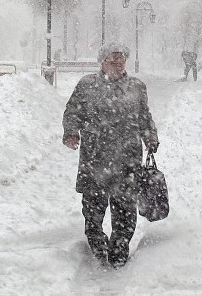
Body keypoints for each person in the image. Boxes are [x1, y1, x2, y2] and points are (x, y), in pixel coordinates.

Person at [62, 41, 158, 268]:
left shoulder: (137, 87)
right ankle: (98, 245)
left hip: (127, 161)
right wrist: (71, 132)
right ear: (102, 62)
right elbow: (72, 111)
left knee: (125, 212)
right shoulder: (86, 85)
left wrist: (150, 137)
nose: (116, 64)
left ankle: (119, 251)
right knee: (93, 213)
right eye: (111, 60)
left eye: (120, 60)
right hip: (94, 159)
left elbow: (144, 116)